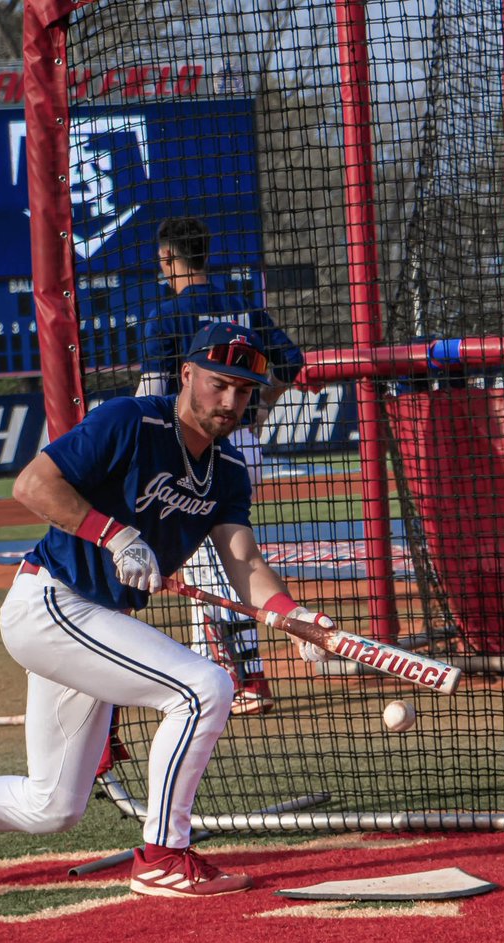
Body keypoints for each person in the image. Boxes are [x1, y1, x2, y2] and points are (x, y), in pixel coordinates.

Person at [0, 323, 333, 901]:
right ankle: (163, 856)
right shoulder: (131, 420)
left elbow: (243, 559)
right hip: (51, 603)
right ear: (187, 374)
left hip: (97, 621)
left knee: (52, 805)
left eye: (243, 391)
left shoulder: (230, 469)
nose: (230, 401)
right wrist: (115, 535)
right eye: (219, 384)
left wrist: (294, 616)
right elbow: (32, 484)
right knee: (204, 688)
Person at [136, 216, 304, 716]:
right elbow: (293, 365)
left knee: (207, 566)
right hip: (243, 445)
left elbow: (151, 394)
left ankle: (247, 677)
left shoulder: (166, 315)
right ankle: (219, 676)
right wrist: (258, 406)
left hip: (190, 448)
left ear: (167, 258)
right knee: (223, 557)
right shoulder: (244, 307)